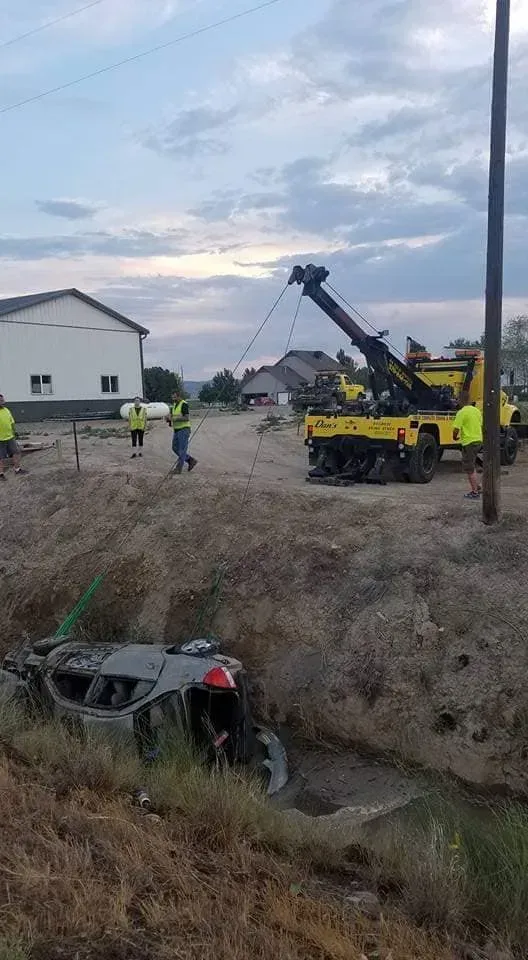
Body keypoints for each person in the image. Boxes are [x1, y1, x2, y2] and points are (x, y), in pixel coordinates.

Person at [453, 392, 483, 500]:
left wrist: (454, 436)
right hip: (478, 441)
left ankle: (475, 492)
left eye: (457, 400)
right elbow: (480, 424)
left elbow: (456, 428)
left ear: (461, 400)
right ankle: (477, 486)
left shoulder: (462, 412)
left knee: (469, 468)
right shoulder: (476, 411)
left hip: (469, 442)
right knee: (473, 464)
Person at [168, 390, 197, 474]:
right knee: (174, 448)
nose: (173, 399)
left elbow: (186, 418)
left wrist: (174, 419)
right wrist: (169, 419)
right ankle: (190, 460)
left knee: (181, 450)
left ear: (179, 396)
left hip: (184, 429)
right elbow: (172, 416)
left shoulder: (184, 404)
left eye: (174, 397)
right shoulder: (174, 405)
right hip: (176, 430)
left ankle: (178, 468)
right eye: (172, 397)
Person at [0, 395, 27, 480]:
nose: (3, 402)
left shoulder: (6, 410)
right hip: (0, 439)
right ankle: (1, 474)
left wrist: (14, 432)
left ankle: (17, 469)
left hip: (10, 437)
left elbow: (12, 422)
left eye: (3, 400)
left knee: (17, 452)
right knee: (1, 458)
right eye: (1, 401)